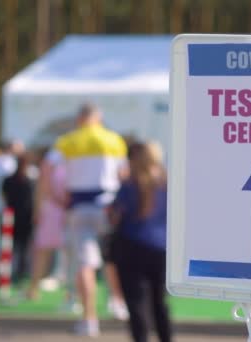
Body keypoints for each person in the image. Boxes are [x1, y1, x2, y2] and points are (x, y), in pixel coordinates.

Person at [46, 103, 127, 337]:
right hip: (109, 206)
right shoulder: (114, 140)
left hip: (80, 206)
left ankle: (89, 319)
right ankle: (117, 301)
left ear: (80, 118)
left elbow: (48, 167)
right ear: (98, 118)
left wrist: (54, 194)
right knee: (113, 258)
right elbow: (124, 174)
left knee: (85, 263)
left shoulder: (69, 140)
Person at [108, 141, 172, 342]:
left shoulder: (129, 185)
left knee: (136, 303)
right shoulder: (167, 183)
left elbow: (116, 216)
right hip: (161, 247)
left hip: (132, 246)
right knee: (159, 303)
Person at [26, 154, 67, 300]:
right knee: (43, 251)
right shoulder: (52, 161)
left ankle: (71, 293)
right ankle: (33, 288)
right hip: (52, 211)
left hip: (65, 212)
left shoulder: (72, 160)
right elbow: (42, 188)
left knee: (70, 254)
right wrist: (38, 211)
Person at [2, 154, 35, 283]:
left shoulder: (28, 181)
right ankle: (12, 272)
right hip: (14, 218)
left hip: (24, 218)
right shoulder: (11, 180)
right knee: (12, 246)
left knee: (23, 247)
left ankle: (20, 271)